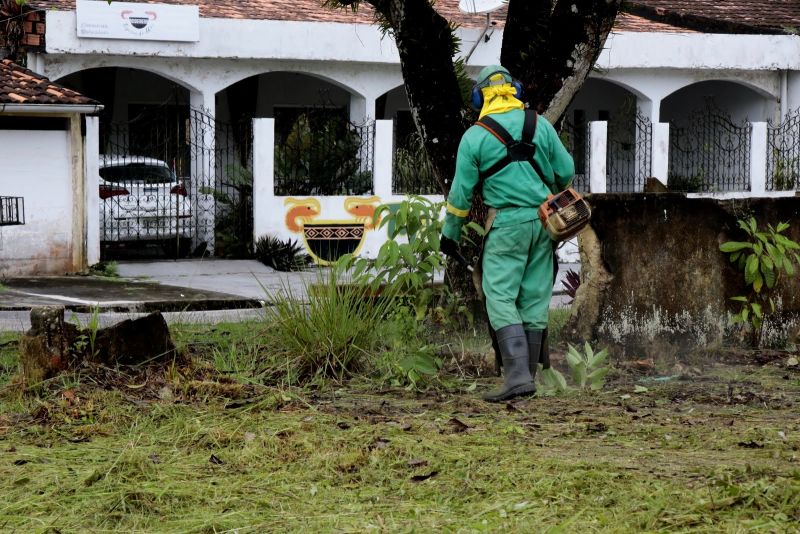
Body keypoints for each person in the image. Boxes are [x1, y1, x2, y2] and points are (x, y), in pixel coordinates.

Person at [440, 64, 575, 402]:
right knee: (533, 296)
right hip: (545, 224)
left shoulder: (475, 136)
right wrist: (545, 189)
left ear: (480, 96)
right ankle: (526, 378)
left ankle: (516, 377)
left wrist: (450, 234)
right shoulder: (539, 125)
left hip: (506, 225)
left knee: (499, 295)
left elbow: (460, 198)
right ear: (513, 90)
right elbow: (566, 172)